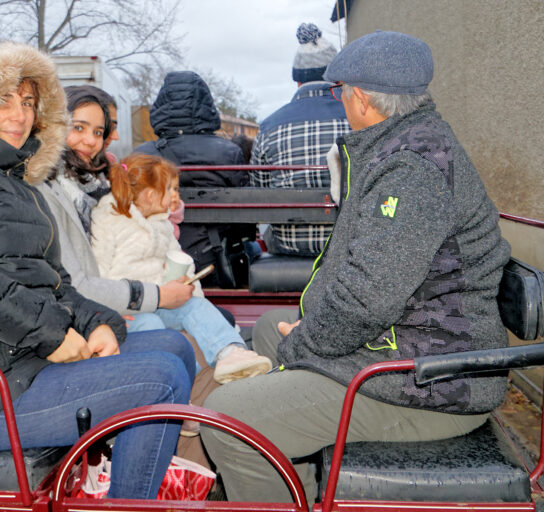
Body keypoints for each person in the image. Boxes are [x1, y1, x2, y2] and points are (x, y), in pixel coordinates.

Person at [200, 31, 511, 503]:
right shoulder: (404, 146)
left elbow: (367, 299)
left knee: (228, 419)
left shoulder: (410, 170)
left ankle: (273, 473)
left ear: (361, 98)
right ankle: (298, 488)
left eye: (340, 90)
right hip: (414, 346)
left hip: (435, 382)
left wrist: (303, 343)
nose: (340, 99)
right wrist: (307, 336)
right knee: (267, 329)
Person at [0, 42, 195, 500]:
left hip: (27, 363)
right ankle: (129, 503)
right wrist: (53, 335)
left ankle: (121, 481)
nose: (19, 115)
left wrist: (98, 322)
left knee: (176, 346)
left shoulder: (23, 187)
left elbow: (56, 283)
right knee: (163, 377)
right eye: (3, 100)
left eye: (28, 102)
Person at [90, 153, 272, 384]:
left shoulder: (161, 223)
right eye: (170, 189)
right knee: (152, 327)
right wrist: (107, 313)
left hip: (163, 302)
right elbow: (97, 271)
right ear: (151, 195)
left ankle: (230, 353)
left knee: (196, 307)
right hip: (126, 310)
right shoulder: (108, 218)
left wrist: (191, 293)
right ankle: (182, 381)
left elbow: (185, 266)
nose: (175, 196)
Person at [36, 86, 195, 325]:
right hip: (82, 307)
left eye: (98, 132)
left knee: (199, 316)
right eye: (78, 127)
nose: (91, 140)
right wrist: (155, 296)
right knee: (159, 327)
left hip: (117, 291)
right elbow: (76, 281)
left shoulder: (99, 181)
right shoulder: (47, 190)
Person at [134, 71, 253, 288]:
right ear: (206, 105)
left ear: (161, 106)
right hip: (215, 262)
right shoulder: (228, 152)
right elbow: (244, 219)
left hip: (159, 262)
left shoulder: (142, 154)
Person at [250, 23, 350, 257]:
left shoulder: (269, 126)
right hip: (348, 244)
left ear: (297, 82)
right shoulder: (357, 119)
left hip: (289, 245)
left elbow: (260, 191)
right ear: (338, 79)